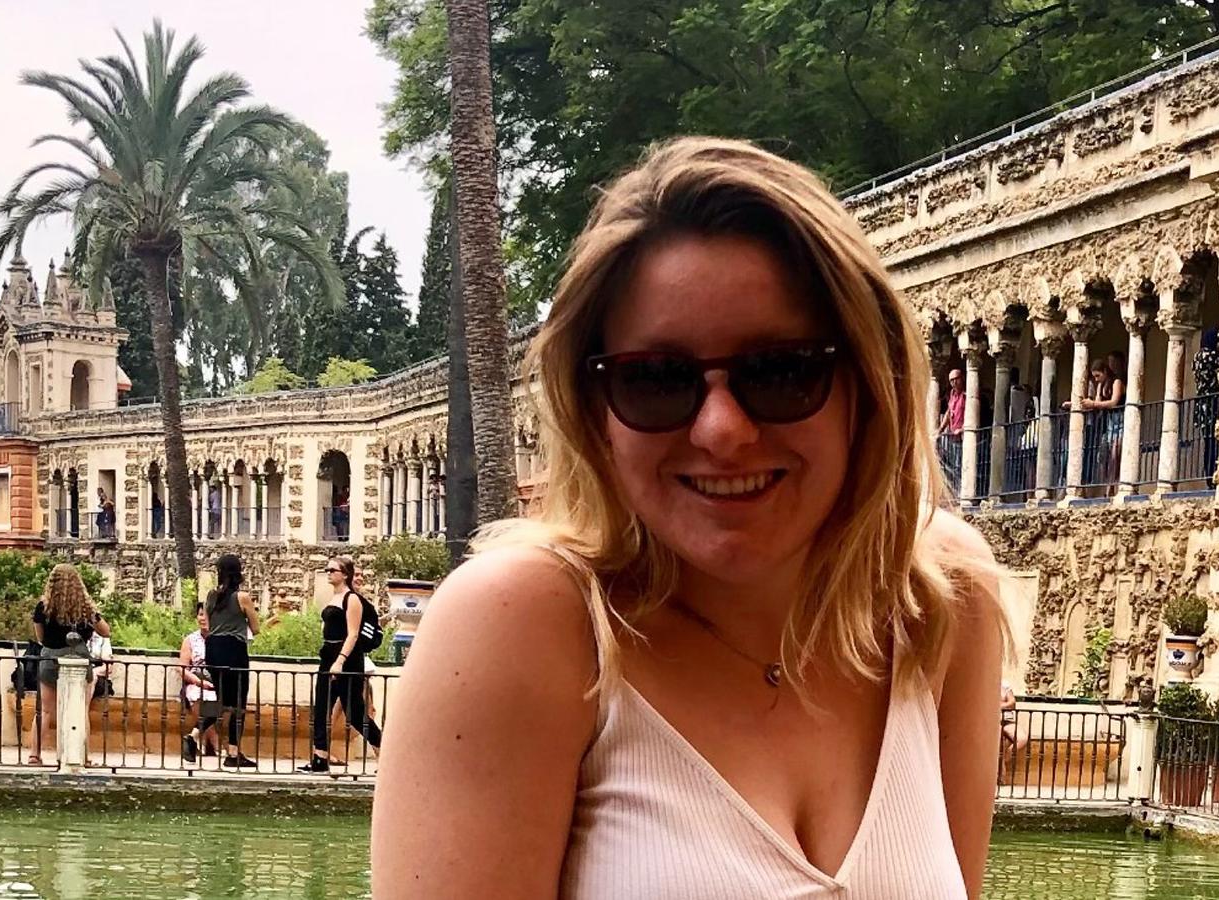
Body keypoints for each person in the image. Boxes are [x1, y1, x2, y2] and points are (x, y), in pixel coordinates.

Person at [373, 137, 1005, 898]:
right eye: (657, 381)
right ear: (595, 409)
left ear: (866, 384)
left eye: (779, 371)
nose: (721, 430)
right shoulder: (525, 626)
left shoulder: (939, 599)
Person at [184, 554, 265, 768]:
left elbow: (208, 626)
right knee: (237, 703)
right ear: (238, 572)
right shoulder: (242, 597)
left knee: (222, 702)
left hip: (213, 649)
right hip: (234, 650)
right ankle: (232, 752)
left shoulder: (211, 596)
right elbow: (256, 629)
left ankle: (193, 735)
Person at [305, 555, 384, 773]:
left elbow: (353, 634)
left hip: (347, 659)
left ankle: (384, 750)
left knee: (355, 713)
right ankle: (319, 756)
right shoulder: (333, 598)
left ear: (344, 574)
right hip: (328, 653)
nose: (329, 573)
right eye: (327, 570)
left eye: (333, 570)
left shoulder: (352, 599)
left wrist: (340, 660)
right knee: (321, 706)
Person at [28, 564, 110, 767]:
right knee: (80, 710)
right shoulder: (84, 608)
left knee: (45, 711)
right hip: (79, 660)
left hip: (49, 658)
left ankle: (34, 755)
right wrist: (93, 612)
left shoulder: (43, 607)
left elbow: (40, 637)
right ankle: (83, 756)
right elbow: (106, 631)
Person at [177, 606, 222, 760]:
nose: (203, 618)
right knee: (199, 696)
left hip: (216, 681)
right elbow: (182, 669)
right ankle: (212, 741)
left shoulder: (220, 639)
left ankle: (198, 738)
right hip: (195, 681)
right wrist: (198, 681)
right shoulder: (190, 640)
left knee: (219, 697)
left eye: (207, 615)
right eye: (200, 614)